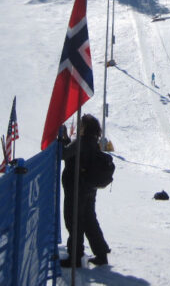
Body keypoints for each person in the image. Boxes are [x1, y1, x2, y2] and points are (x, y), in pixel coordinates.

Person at [60, 114, 110, 268]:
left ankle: (74, 257)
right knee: (89, 220)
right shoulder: (93, 142)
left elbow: (64, 154)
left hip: (76, 187)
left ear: (85, 127)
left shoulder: (82, 142)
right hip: (89, 188)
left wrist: (62, 141)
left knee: (73, 221)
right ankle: (101, 253)